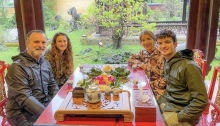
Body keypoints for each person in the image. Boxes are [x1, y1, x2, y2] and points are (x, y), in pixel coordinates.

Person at [5, 30, 59, 126]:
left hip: (44, 107)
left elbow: (53, 85)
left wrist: (57, 105)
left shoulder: (45, 63)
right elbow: (25, 99)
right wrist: (48, 116)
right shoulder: (17, 67)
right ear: (27, 43)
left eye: (43, 42)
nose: (41, 45)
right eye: (36, 42)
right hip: (22, 116)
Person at [156, 29, 208, 126]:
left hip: (183, 114)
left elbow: (201, 100)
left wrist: (180, 117)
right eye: (160, 43)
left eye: (167, 42)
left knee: (152, 122)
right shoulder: (169, 62)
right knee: (147, 112)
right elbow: (172, 88)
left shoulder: (188, 66)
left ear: (175, 44)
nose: (163, 46)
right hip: (171, 105)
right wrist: (158, 103)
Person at [127, 30, 166, 99]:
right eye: (143, 40)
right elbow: (130, 59)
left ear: (154, 40)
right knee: (130, 93)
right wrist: (141, 64)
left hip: (158, 90)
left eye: (148, 39)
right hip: (144, 83)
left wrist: (147, 84)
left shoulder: (162, 55)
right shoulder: (144, 52)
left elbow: (164, 81)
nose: (146, 42)